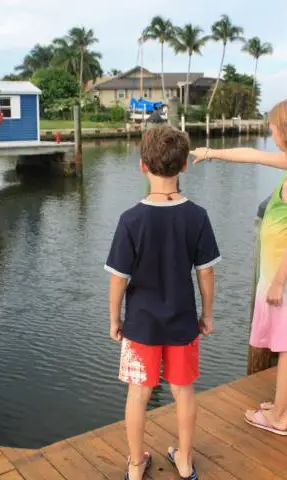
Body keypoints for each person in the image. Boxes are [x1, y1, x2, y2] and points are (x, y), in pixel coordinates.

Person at [190, 97, 287, 436]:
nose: (270, 130)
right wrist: (211, 152)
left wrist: (278, 281)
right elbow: (251, 155)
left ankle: (279, 416)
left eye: (274, 125)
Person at [105, 125, 220, 479]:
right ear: (185, 165)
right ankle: (184, 461)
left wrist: (114, 320)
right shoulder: (196, 216)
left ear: (143, 166)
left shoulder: (131, 220)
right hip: (183, 321)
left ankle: (137, 464)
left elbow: (118, 280)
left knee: (138, 395)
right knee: (183, 392)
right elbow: (205, 274)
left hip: (140, 324)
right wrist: (207, 314)